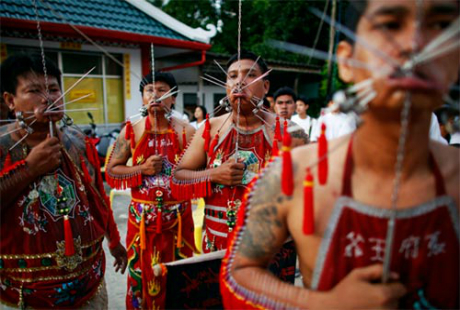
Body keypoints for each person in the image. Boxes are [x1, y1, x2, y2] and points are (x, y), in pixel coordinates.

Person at [221, 0, 459, 309]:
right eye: (390, 25)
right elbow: (240, 272)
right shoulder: (291, 175)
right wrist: (321, 303)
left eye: (440, 27)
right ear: (346, 62)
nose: (416, 45)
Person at [0, 54, 127, 309]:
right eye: (34, 90)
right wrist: (29, 169)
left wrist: (114, 241)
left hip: (88, 286)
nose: (48, 98)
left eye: (54, 89)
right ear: (10, 100)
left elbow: (98, 198)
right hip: (23, 296)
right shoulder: (2, 146)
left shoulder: (77, 141)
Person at [172, 51, 308, 254]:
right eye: (232, 76)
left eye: (250, 75)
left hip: (272, 246)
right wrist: (214, 175)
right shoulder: (210, 128)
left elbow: (310, 192)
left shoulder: (291, 132)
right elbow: (177, 176)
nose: (239, 82)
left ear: (266, 86)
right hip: (218, 243)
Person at [105, 71, 196, 309]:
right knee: (141, 274)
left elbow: (201, 170)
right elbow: (112, 171)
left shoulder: (187, 131)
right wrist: (141, 169)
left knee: (181, 276)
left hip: (178, 220)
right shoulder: (131, 130)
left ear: (173, 97)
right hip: (142, 221)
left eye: (162, 90)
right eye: (149, 90)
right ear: (142, 98)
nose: (155, 95)